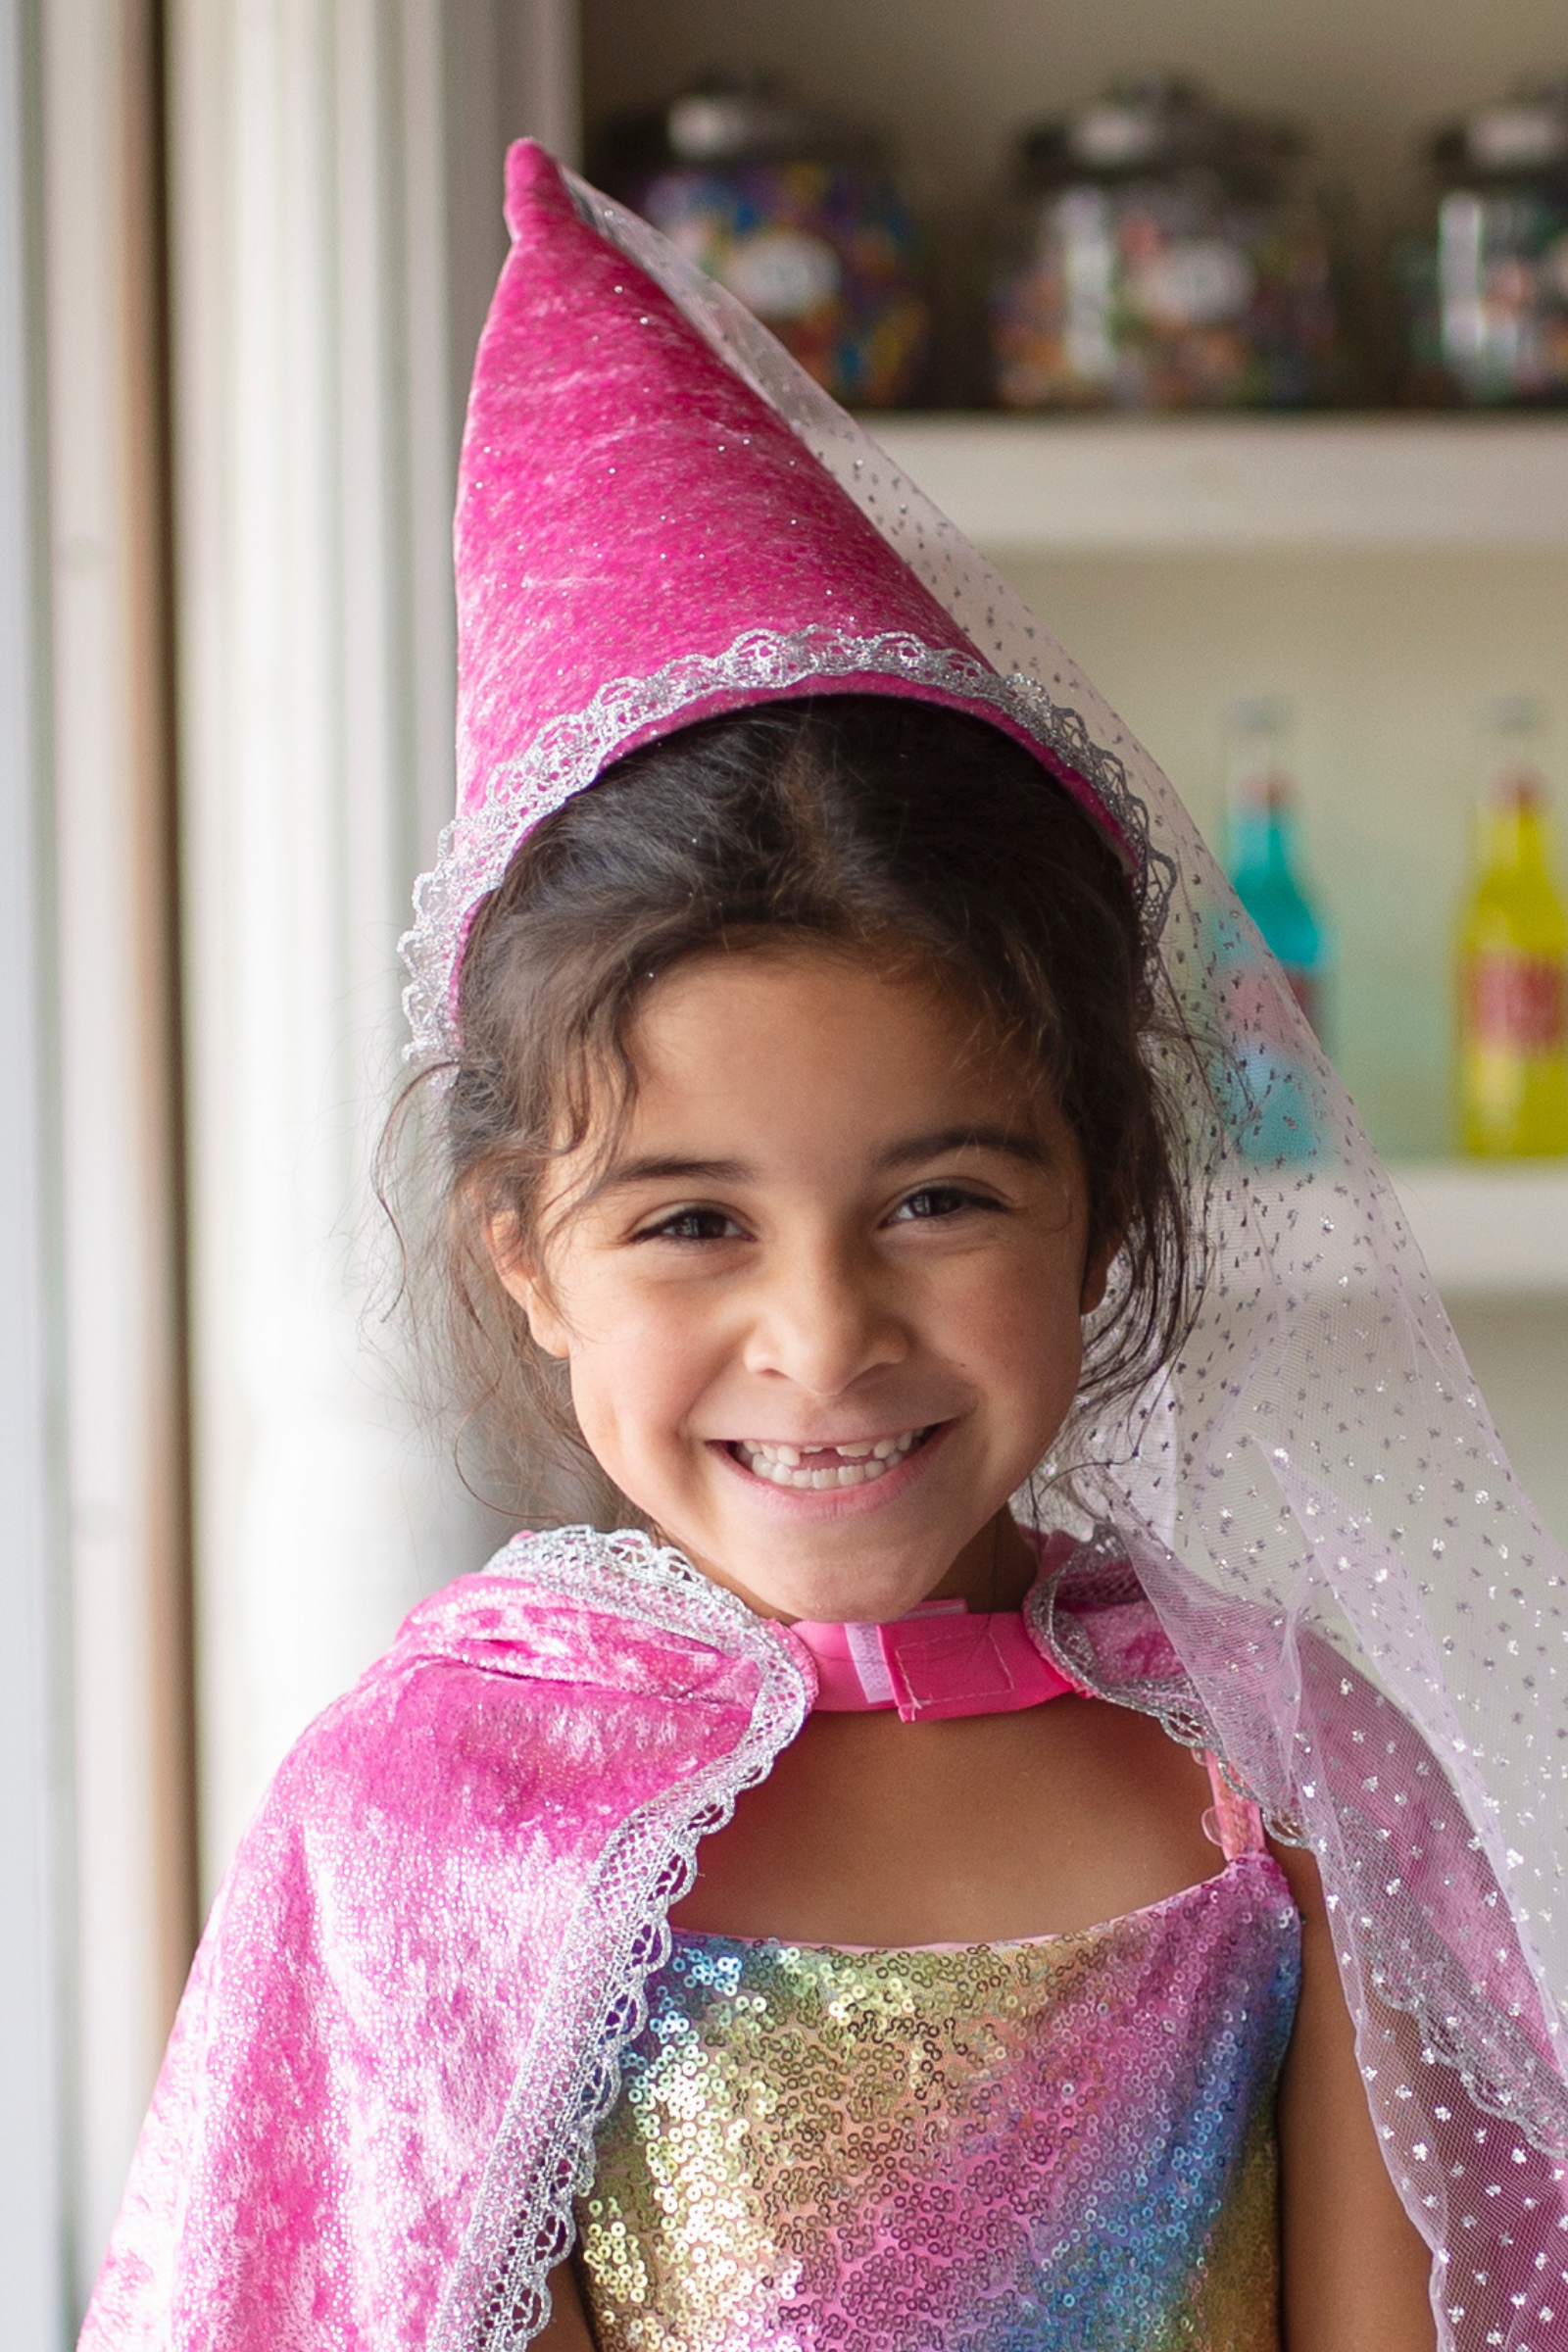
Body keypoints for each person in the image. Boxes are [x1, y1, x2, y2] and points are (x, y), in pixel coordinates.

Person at [81, 143, 1566, 2352]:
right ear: (522, 1253)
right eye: (688, 1220)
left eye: (938, 1198)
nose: (823, 1332)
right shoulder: (427, 1833)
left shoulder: (1281, 1779)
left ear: (1106, 1203)